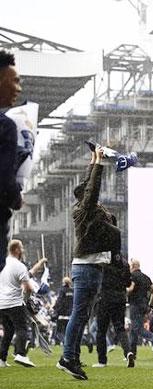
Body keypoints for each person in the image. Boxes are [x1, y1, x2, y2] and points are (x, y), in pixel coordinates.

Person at [58, 146, 120, 381]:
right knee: (79, 315)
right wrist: (99, 165)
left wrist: (94, 159)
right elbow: (91, 187)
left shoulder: (85, 210)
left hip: (90, 267)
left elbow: (87, 184)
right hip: (87, 267)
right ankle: (67, 357)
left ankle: (71, 358)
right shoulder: (86, 208)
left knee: (82, 316)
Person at [0, 239, 45, 368]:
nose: (23, 250)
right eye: (22, 248)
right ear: (17, 250)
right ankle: (20, 354)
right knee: (22, 329)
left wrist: (40, 263)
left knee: (8, 331)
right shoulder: (19, 265)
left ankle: (2, 359)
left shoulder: (3, 263)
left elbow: (28, 274)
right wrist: (26, 300)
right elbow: (28, 288)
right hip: (15, 303)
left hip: (1, 304)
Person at [0, 50, 23, 273]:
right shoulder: (6, 126)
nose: (19, 87)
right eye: (15, 80)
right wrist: (16, 196)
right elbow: (5, 182)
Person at [93, 253, 132, 368]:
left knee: (101, 330)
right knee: (120, 328)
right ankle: (128, 352)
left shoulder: (103, 263)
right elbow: (128, 283)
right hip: (120, 298)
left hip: (105, 297)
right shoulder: (125, 264)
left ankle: (102, 360)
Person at [127, 258, 153, 362]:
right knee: (133, 330)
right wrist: (151, 305)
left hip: (135, 304)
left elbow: (131, 289)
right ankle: (132, 353)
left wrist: (121, 291)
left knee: (137, 329)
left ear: (132, 266)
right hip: (144, 305)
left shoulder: (133, 276)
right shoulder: (146, 277)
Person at [52, 277, 74, 345]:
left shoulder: (62, 290)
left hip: (62, 315)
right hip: (70, 315)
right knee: (68, 332)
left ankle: (65, 341)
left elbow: (59, 302)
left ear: (63, 282)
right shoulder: (72, 291)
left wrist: (55, 310)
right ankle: (87, 342)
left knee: (58, 333)